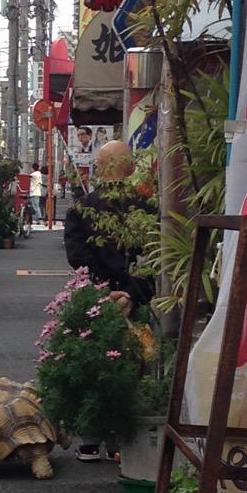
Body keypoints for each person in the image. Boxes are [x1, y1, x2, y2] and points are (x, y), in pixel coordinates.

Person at [64, 140, 154, 462]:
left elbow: (78, 257)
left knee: (92, 364)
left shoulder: (81, 209)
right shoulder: (147, 209)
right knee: (135, 368)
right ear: (131, 168)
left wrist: (105, 291)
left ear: (99, 168)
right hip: (137, 298)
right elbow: (152, 259)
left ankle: (90, 441)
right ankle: (122, 442)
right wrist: (129, 293)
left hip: (96, 298)